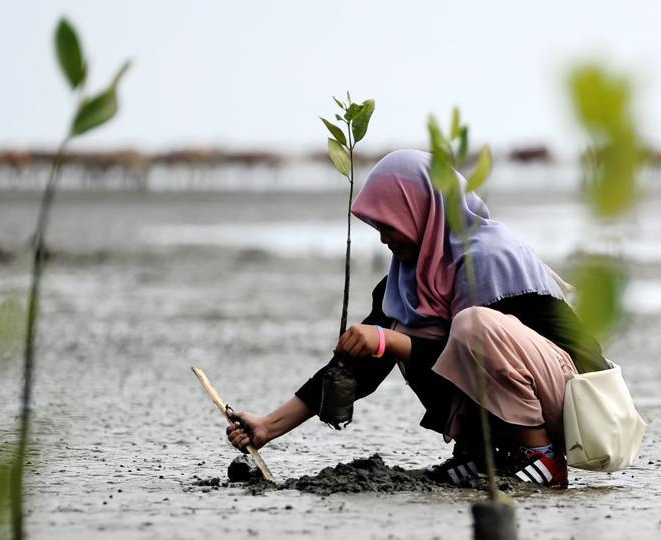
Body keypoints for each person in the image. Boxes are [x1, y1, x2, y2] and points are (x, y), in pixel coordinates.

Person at [226, 149, 609, 489]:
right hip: (530, 394)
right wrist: (268, 427)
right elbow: (361, 365)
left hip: (574, 402)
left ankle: (543, 457)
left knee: (471, 326)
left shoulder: (489, 255)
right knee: (400, 327)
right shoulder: (407, 281)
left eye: (388, 224)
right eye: (377, 226)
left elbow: (488, 347)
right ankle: (480, 454)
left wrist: (389, 341)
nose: (382, 238)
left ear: (419, 210)